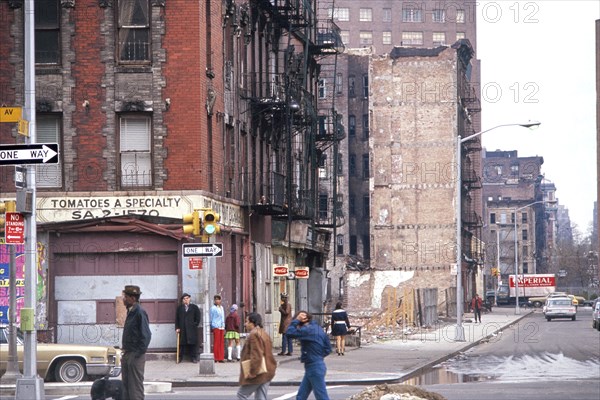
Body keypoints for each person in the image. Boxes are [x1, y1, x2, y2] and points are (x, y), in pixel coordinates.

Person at [285, 310, 332, 400]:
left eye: (298, 324)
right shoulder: (318, 329)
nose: (297, 326)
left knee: (321, 396)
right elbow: (328, 348)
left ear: (302, 321)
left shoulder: (307, 330)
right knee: (301, 396)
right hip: (317, 364)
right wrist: (317, 356)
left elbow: (289, 333)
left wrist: (296, 320)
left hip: (313, 367)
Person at [121, 285, 152, 400]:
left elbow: (146, 336)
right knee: (127, 387)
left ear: (132, 298)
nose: (123, 299)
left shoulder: (139, 312)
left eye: (125, 297)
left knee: (135, 389)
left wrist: (137, 354)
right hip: (128, 353)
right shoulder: (131, 311)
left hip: (135, 355)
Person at [237, 312, 277, 400]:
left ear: (253, 323)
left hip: (259, 372)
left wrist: (252, 373)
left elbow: (256, 356)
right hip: (267, 370)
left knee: (241, 394)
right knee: (261, 397)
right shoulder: (263, 333)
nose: (245, 324)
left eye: (247, 322)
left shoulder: (254, 335)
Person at [175, 293, 201, 363]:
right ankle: (179, 357)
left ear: (189, 299)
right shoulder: (180, 308)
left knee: (192, 344)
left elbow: (198, 317)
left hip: (191, 329)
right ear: (182, 300)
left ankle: (193, 358)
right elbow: (177, 319)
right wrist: (177, 327)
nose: (185, 300)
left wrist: (194, 324)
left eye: (187, 298)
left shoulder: (194, 307)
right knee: (182, 344)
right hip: (182, 328)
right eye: (184, 299)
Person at [210, 294, 226, 362]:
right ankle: (216, 358)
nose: (217, 301)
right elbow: (211, 317)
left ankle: (221, 357)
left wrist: (223, 325)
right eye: (216, 299)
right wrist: (212, 325)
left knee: (221, 342)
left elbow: (223, 317)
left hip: (221, 326)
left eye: (219, 299)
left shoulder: (221, 307)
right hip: (216, 326)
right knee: (216, 342)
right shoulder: (213, 308)